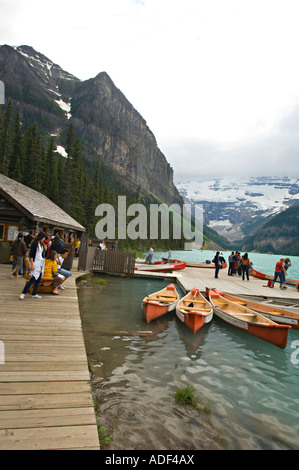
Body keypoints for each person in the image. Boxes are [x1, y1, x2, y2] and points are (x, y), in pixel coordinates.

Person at [20, 231, 47, 299]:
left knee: (38, 279)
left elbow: (42, 253)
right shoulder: (35, 243)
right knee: (33, 279)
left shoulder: (41, 244)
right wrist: (31, 264)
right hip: (35, 262)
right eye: (44, 238)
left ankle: (34, 293)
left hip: (40, 263)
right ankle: (23, 292)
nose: (44, 239)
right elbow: (31, 255)